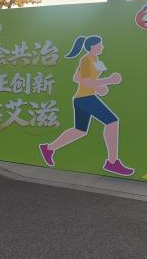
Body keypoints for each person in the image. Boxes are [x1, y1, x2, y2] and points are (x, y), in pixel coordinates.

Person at [38, 35, 134, 176]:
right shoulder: (86, 60)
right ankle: (112, 162)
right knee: (112, 122)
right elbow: (87, 82)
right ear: (92, 46)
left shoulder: (97, 61)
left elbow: (77, 77)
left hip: (83, 98)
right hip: (85, 99)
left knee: (80, 130)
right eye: (100, 45)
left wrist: (98, 87)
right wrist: (110, 80)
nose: (102, 47)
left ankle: (48, 148)